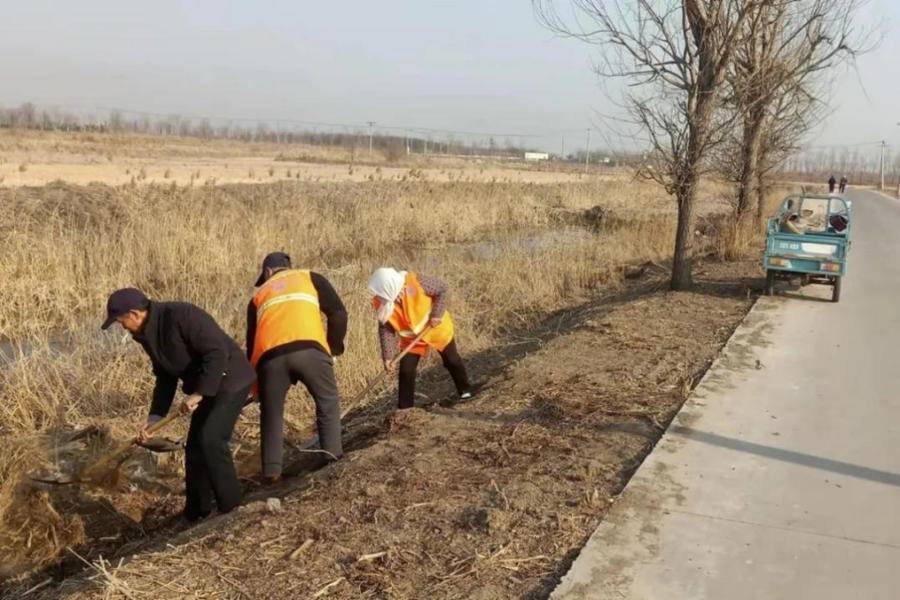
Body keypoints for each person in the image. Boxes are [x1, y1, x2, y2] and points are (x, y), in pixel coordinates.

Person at [102, 288, 255, 522]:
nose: (122, 327)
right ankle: (196, 512)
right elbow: (165, 377)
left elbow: (217, 352)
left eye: (121, 321)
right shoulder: (147, 334)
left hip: (231, 378)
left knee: (211, 439)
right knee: (194, 447)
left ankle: (232, 508)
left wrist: (199, 393)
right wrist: (155, 417)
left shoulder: (181, 315)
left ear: (134, 313)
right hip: (205, 386)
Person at [246, 252, 347, 481]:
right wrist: (333, 349)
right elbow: (338, 314)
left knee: (271, 414)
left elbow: (251, 348)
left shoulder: (258, 296)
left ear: (268, 272)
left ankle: (271, 472)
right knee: (327, 401)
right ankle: (332, 457)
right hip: (310, 350)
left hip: (269, 360)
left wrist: (255, 387)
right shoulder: (310, 277)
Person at [368, 267, 477, 409]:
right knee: (406, 370)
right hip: (412, 340)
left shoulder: (417, 282)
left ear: (389, 287)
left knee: (451, 360)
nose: (378, 296)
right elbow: (386, 329)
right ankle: (405, 409)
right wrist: (387, 356)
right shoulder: (382, 305)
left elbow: (443, 289)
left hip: (436, 329)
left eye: (380, 293)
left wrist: (436, 314)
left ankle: (465, 390)